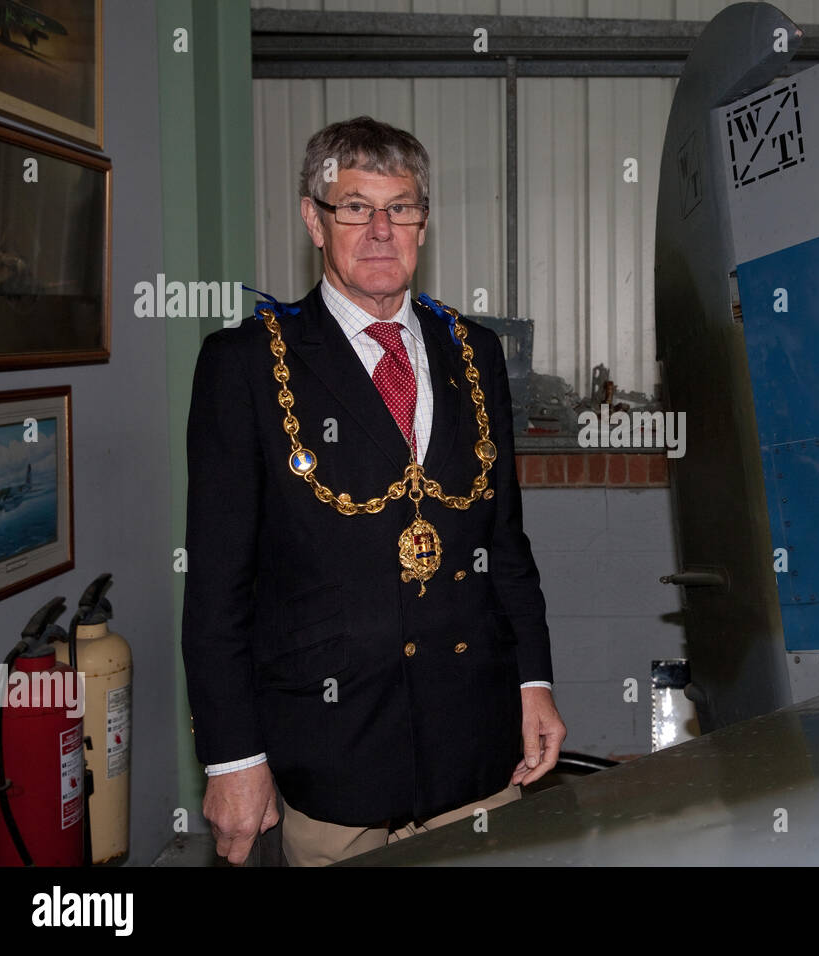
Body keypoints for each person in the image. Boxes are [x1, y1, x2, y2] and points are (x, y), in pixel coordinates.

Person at [181, 116, 564, 866]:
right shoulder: (249, 364)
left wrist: (534, 680)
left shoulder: (474, 352)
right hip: (332, 759)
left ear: (425, 220)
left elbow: (504, 544)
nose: (381, 229)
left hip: (476, 753)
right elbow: (218, 588)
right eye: (355, 207)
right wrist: (232, 760)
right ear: (313, 220)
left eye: (402, 207)